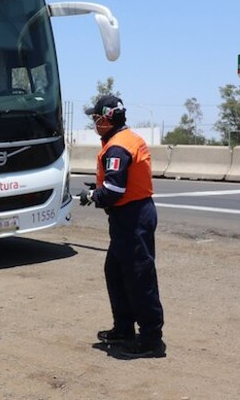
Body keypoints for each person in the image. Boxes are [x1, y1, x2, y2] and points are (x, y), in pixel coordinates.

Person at [79, 95, 166, 359]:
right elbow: (120, 182)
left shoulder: (117, 147)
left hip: (132, 217)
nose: (95, 124)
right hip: (131, 214)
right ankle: (124, 328)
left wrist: (93, 196)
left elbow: (115, 190)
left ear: (107, 118)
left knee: (139, 276)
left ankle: (150, 337)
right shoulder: (127, 139)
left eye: (96, 119)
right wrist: (100, 189)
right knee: (116, 272)